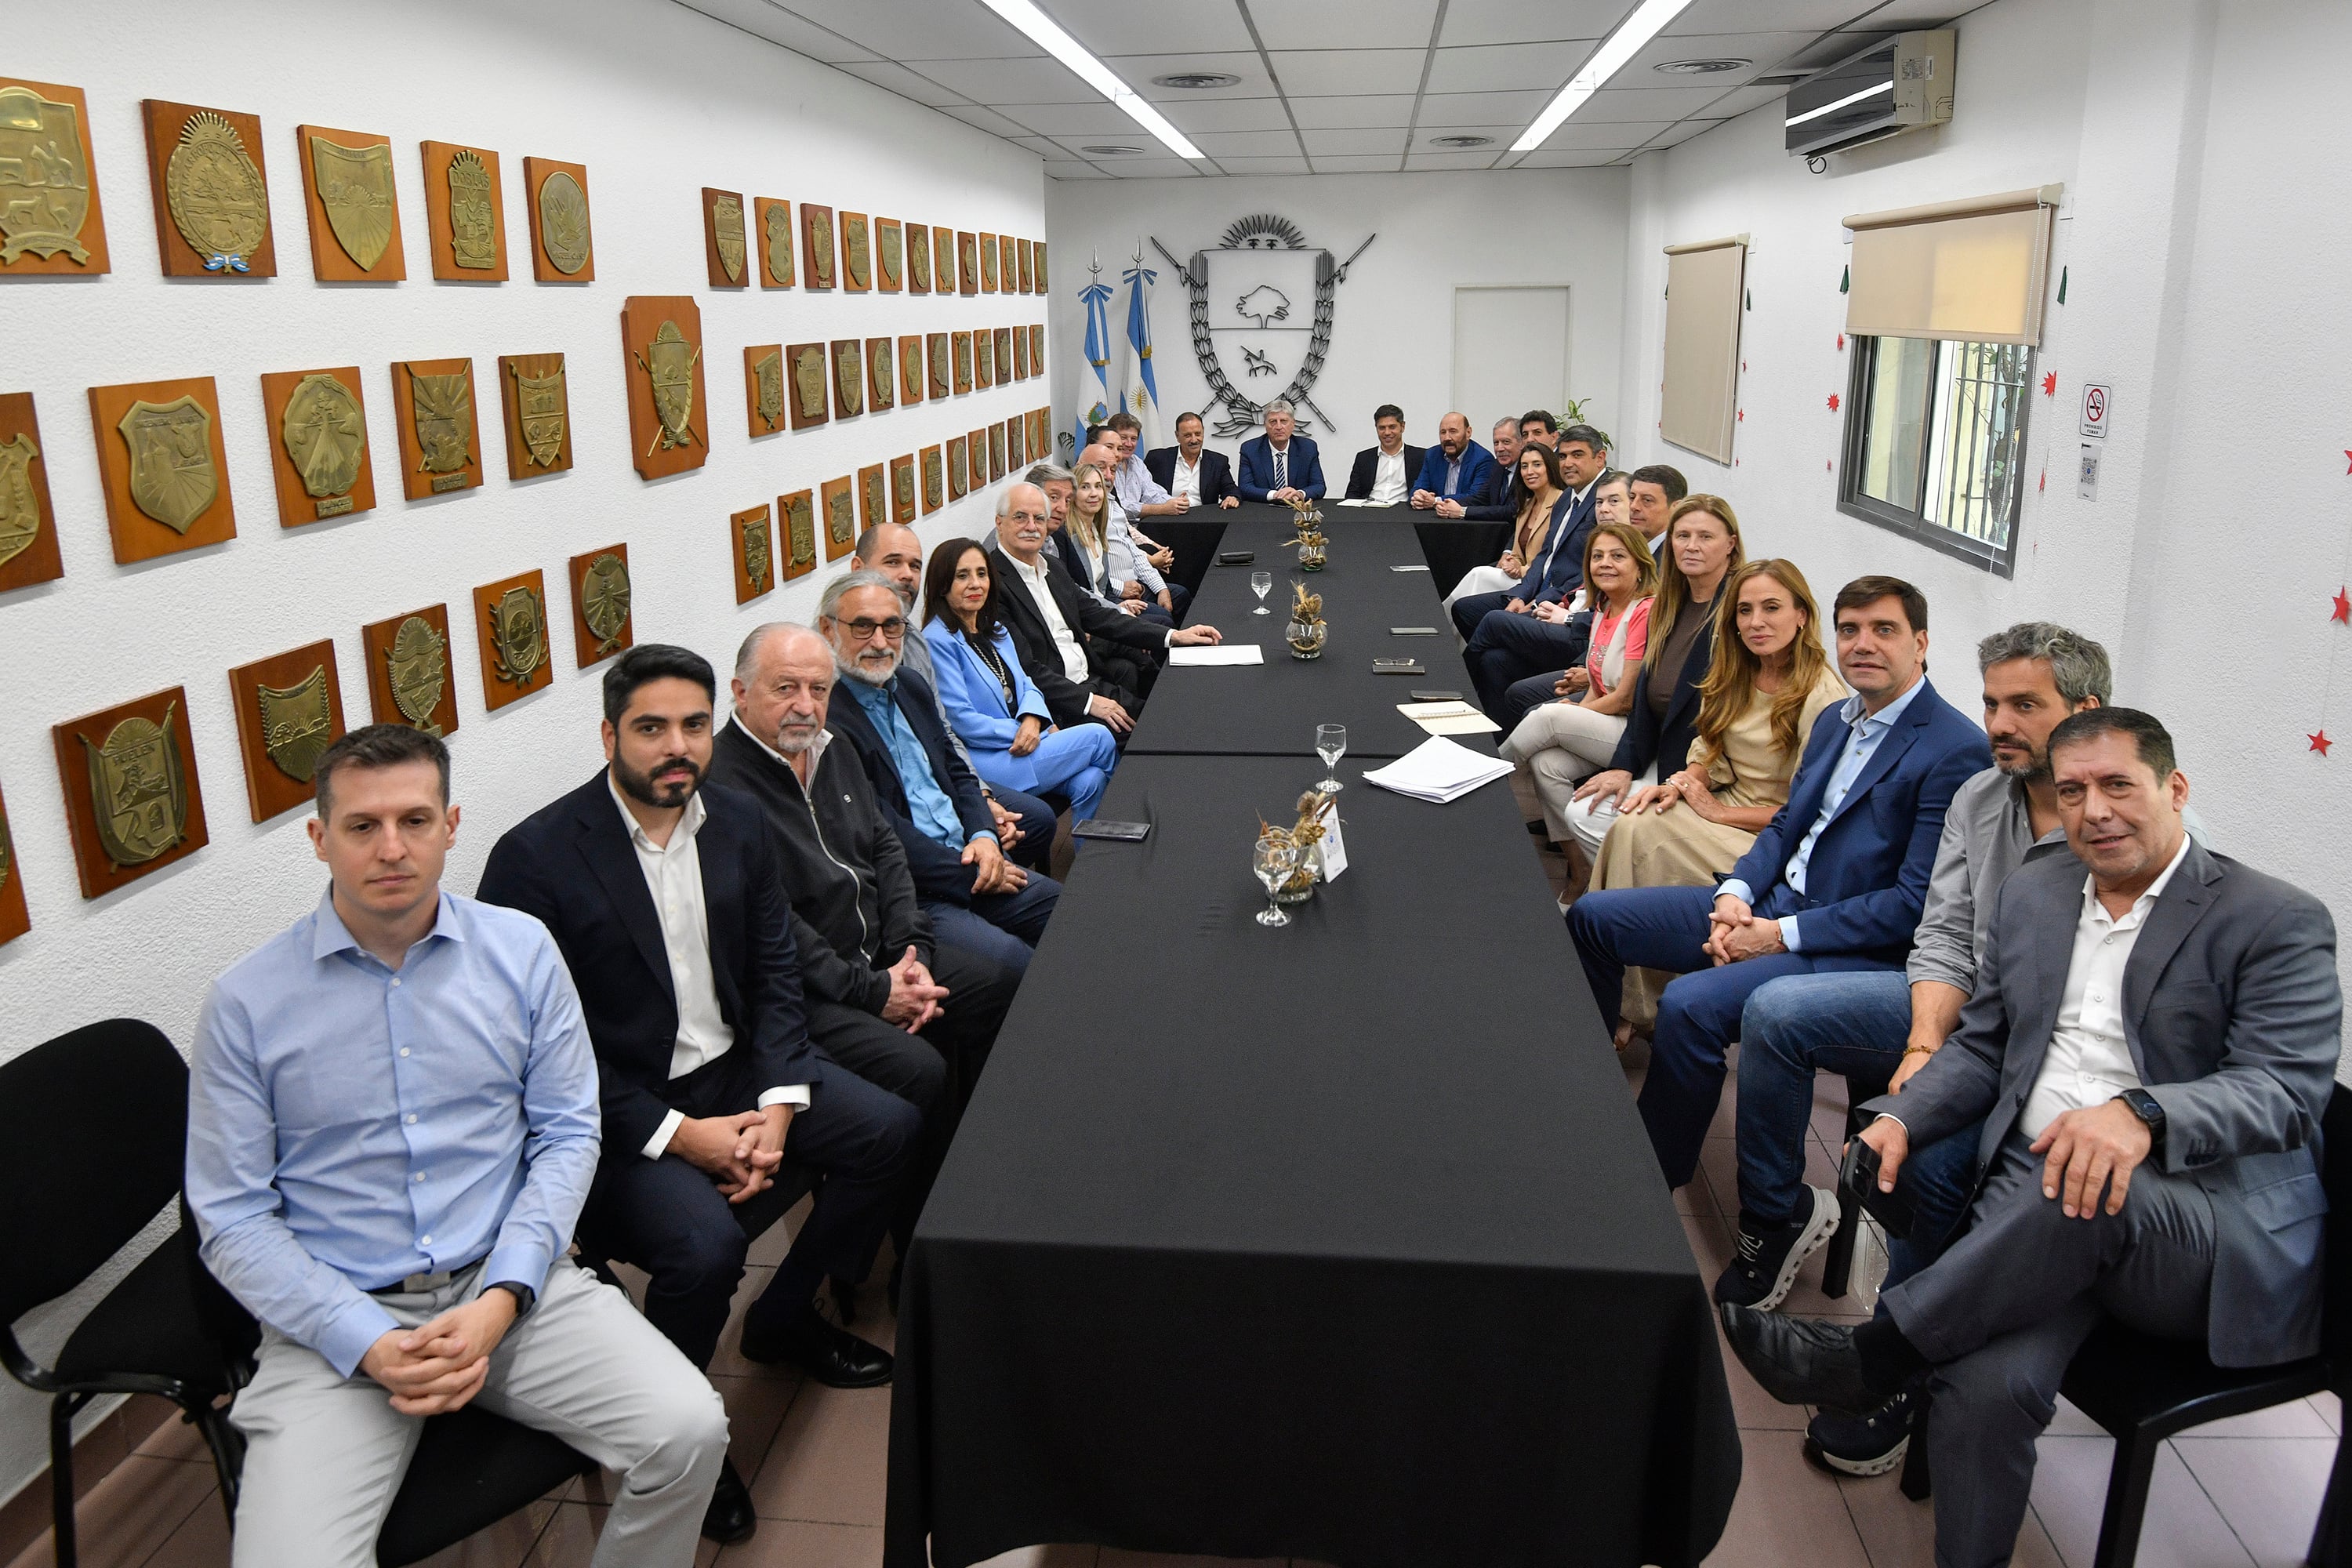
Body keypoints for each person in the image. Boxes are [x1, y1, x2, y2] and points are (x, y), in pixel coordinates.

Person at [1722, 709, 2339, 1568]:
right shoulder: (2040, 890)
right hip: (2047, 1204)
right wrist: (1903, 1113)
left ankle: (1875, 1353)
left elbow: (2285, 1091)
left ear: (2176, 789)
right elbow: (1986, 1041)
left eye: (2119, 784)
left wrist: (2146, 1113)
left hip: (2203, 1224)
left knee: (2085, 1178)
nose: (2095, 809)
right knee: (1982, 1389)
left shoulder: (2273, 917)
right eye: (2075, 789)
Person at [187, 724, 731, 1567]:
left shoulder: (520, 951)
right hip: (343, 1315)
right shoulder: (247, 1002)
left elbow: (565, 1131)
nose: (391, 847)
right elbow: (231, 1216)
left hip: (505, 1284)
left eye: (415, 819)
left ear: (452, 825)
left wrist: (504, 1295)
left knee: (691, 1429)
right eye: (362, 826)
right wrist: (362, 1334)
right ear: (318, 837)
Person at [474, 649, 918, 1542]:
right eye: (650, 728)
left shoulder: (739, 822)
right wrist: (685, 1135)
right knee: (706, 1246)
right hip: (615, 1107)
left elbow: (775, 972)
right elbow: (532, 1060)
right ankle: (679, 1444)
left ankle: (784, 1318)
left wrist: (781, 1101)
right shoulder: (534, 861)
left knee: (891, 1129)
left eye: (691, 725)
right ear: (609, 736)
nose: (676, 747)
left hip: (737, 1070)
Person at [1714, 625, 2112, 1478]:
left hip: (2053, 1049)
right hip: (1958, 1008)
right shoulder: (1981, 796)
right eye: (1993, 702)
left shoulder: (2113, 817)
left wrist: (1943, 1072)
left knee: (1927, 1156)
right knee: (1780, 1010)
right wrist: (1927, 1041)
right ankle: (1777, 1217)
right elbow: (1941, 938)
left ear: (2087, 712)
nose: (1999, 722)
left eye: (2024, 705)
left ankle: (1894, 1375)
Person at [1567, 577, 1991, 1189]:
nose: (1863, 644)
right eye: (1850, 630)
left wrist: (1776, 934)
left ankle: (1651, 1182)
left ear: (1921, 643)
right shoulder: (1839, 720)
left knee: (1688, 1007)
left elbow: (1912, 905)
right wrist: (1734, 896)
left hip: (1845, 947)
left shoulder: (1954, 749)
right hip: (1771, 902)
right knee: (1594, 919)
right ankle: (1589, 1095)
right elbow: (1791, 824)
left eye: (1884, 630)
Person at [710, 622, 1021, 1308]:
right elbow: (776, 933)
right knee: (921, 1069)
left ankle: (972, 1187)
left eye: (818, 689)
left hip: (884, 953)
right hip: (806, 992)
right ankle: (917, 1253)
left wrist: (916, 954)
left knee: (999, 986)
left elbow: (886, 851)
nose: (805, 705)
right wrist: (875, 989)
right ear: (738, 692)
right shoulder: (721, 788)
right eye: (784, 688)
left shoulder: (834, 749)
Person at [1587, 561, 1850, 1036]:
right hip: (1721, 806)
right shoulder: (1736, 670)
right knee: (1633, 820)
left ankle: (1633, 1005)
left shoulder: (1822, 697)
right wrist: (1685, 782)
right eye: (1744, 611)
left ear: (1802, 617)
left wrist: (1721, 812)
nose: (1756, 622)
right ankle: (1620, 990)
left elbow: (1810, 813)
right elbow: (1709, 747)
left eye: (1772, 608)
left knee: (1645, 839)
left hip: (1771, 834)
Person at [818, 572, 1065, 975]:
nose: (880, 642)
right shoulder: (829, 720)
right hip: (917, 891)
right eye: (863, 626)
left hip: (971, 855)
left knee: (1071, 914)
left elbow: (956, 771)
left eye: (892, 626)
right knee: (1013, 965)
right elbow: (880, 829)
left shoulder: (911, 685)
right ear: (828, 630)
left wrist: (984, 835)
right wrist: (976, 869)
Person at [853, 521, 1054, 869]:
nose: (906, 575)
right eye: (893, 562)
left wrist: (982, 799)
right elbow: (957, 726)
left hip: (950, 778)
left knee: (1040, 818)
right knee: (1098, 740)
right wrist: (979, 821)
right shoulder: (837, 667)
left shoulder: (913, 640)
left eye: (914, 566)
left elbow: (943, 732)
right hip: (910, 814)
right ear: (858, 568)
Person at [1558, 493, 1743, 862]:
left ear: (1731, 545)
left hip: (1703, 769)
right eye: (1682, 536)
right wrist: (1625, 765)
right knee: (1562, 782)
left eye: (1705, 537)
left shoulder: (1737, 612)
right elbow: (1644, 700)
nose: (1691, 546)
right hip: (1654, 748)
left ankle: (1629, 902)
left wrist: (1680, 779)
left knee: (1587, 815)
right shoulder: (1670, 604)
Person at [990, 477, 1223, 737]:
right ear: (1000, 523)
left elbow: (1100, 617)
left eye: (1039, 519)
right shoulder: (993, 583)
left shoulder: (1051, 566)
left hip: (1091, 681)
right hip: (1058, 704)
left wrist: (1174, 636)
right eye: (1021, 518)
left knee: (1177, 714)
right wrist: (1089, 702)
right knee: (1155, 737)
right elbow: (1024, 667)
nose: (1032, 527)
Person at [921, 536, 1119, 821]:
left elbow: (1027, 683)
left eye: (981, 574)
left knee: (1091, 781)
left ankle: (1095, 862)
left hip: (1027, 742)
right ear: (942, 585)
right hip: (992, 758)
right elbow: (961, 720)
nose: (976, 584)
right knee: (1099, 736)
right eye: (962, 576)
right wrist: (1024, 731)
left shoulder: (995, 629)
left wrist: (1033, 719)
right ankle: (1121, 834)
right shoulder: (937, 640)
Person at [1499, 521, 1657, 853]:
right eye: (1597, 556)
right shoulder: (1604, 607)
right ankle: (1579, 870)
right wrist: (1580, 709)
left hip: (1635, 732)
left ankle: (1489, 775)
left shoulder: (1645, 611)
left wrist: (1575, 713)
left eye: (1618, 556)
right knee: (1547, 766)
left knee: (1547, 716)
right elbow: (1598, 685)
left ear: (1640, 566)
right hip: (1606, 719)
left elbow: (1625, 698)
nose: (1605, 563)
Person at [1483, 471, 1639, 728]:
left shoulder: (1635, 554)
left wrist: (1567, 620)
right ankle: (1488, 737)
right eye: (1599, 503)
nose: (1604, 509)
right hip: (1564, 618)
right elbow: (1568, 580)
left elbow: (1616, 622)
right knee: (1495, 660)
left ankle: (1454, 692)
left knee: (1494, 620)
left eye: (1614, 501)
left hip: (1581, 642)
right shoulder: (1600, 539)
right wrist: (1543, 602)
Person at [1450, 423, 1610, 659]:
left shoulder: (1604, 500)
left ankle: (1466, 677)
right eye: (1563, 456)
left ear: (1600, 458)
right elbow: (1546, 555)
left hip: (1564, 603)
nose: (1567, 463)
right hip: (1536, 589)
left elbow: (1583, 573)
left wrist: (1537, 602)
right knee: (1465, 609)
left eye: (1578, 455)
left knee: (1493, 635)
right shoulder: (1568, 497)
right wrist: (1522, 596)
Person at [1236, 398, 1325, 503]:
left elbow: (1319, 486)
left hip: (1297, 508)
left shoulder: (1307, 448)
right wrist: (1276, 495)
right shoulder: (1250, 449)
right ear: (1265, 425)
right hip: (1262, 511)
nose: (1278, 427)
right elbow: (1245, 488)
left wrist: (1299, 494)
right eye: (1273, 422)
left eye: (1284, 421)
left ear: (1293, 424)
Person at [1145, 410, 1240, 509]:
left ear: (1203, 432)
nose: (1194, 440)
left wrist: (1232, 498)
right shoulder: (1157, 459)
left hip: (1205, 520)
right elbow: (1143, 492)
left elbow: (1231, 490)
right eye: (1187, 436)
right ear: (1177, 436)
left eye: (1198, 434)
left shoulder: (1218, 462)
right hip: (1167, 519)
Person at [1439, 416, 1522, 521]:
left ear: (1522, 443)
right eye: (1496, 443)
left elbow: (1512, 510)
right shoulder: (1497, 466)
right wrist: (1445, 504)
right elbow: (1481, 498)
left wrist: (1463, 512)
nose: (1499, 449)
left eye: (1506, 442)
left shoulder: (1526, 471)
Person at [1105, 410, 1182, 519]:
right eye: (1123, 438)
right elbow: (1118, 506)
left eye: (1133, 439)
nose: (1129, 444)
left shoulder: (1136, 462)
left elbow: (1151, 493)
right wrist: (1162, 509)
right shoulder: (1103, 465)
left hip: (1139, 527)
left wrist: (1175, 503)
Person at [1409, 411, 1492, 509]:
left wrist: (1436, 501)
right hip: (1434, 517)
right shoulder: (1432, 455)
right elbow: (1418, 487)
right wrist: (1419, 497)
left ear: (1468, 433)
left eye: (1453, 431)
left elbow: (1476, 497)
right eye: (1443, 432)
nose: (1447, 438)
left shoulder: (1482, 458)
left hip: (1466, 519)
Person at [1344, 403, 1425, 503]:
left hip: (1404, 512)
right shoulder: (1363, 458)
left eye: (1392, 427)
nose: (1387, 432)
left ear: (1402, 427)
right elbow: (1352, 494)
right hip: (1369, 511)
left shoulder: (1421, 457)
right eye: (1382, 428)